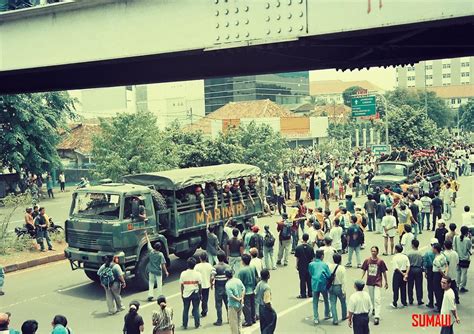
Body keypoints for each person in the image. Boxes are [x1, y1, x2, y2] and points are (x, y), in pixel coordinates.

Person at [361, 246, 388, 325]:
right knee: (371, 298)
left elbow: (384, 272)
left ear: (377, 252)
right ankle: (373, 309)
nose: (373, 253)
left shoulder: (380, 261)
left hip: (377, 282)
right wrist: (361, 278)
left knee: (377, 299)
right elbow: (364, 270)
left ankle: (377, 316)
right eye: (372, 251)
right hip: (369, 282)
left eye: (374, 251)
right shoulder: (367, 260)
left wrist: (386, 282)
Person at [144, 232, 169, 302]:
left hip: (151, 270)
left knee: (151, 283)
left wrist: (146, 235)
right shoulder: (160, 255)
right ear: (160, 248)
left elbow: (148, 243)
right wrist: (166, 272)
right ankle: (159, 296)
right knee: (159, 284)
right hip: (158, 271)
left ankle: (150, 295)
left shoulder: (151, 252)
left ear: (154, 247)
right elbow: (163, 264)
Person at [309, 250, 331, 325]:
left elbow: (311, 273)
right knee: (326, 299)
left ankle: (316, 318)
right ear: (322, 256)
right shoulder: (324, 264)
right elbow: (329, 275)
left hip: (314, 284)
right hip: (323, 284)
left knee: (315, 301)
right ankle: (327, 314)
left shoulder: (311, 264)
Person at [179, 257, 202, 329]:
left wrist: (182, 294)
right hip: (195, 293)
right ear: (194, 265)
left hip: (186, 293)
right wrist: (200, 294)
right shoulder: (198, 274)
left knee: (185, 309)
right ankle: (197, 324)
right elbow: (200, 285)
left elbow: (182, 285)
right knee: (196, 309)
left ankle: (184, 324)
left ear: (187, 265)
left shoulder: (183, 274)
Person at [254, 269, 277, 334]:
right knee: (270, 325)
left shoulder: (259, 284)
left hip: (260, 307)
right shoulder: (266, 287)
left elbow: (255, 293)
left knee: (263, 325)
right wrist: (271, 310)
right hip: (265, 308)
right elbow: (267, 302)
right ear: (268, 276)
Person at [238, 253, 258, 326]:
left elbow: (240, 282)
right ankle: (253, 318)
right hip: (253, 288)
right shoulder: (253, 267)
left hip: (246, 291)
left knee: (246, 307)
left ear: (243, 261)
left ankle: (248, 320)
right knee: (252, 305)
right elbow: (256, 276)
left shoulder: (242, 271)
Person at [211, 250, 230, 326]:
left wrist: (211, 284)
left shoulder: (215, 267)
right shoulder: (228, 267)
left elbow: (212, 277)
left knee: (218, 305)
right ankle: (229, 319)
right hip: (226, 288)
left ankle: (219, 320)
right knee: (227, 304)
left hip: (218, 288)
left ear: (217, 258)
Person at [328, 253, 347, 326]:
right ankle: (344, 315)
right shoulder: (342, 268)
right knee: (343, 302)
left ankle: (335, 319)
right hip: (338, 286)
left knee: (332, 303)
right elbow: (344, 281)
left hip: (331, 286)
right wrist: (344, 290)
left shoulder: (329, 266)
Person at [225, 268, 245, 334]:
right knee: (239, 320)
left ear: (226, 276)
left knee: (233, 323)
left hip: (232, 305)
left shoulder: (228, 284)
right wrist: (241, 298)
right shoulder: (238, 280)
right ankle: (240, 332)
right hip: (240, 304)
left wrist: (237, 299)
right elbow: (243, 289)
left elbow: (231, 295)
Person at [294, 233, 314, 299]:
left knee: (302, 280)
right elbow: (312, 259)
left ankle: (303, 294)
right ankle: (310, 292)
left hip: (301, 266)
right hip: (309, 266)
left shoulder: (298, 248)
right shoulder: (311, 248)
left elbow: (297, 258)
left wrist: (296, 265)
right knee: (309, 279)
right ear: (308, 239)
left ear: (302, 238)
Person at [453, 226, 472, 293]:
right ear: (467, 232)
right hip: (465, 259)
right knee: (464, 273)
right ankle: (462, 286)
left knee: (458, 272)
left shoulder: (455, 238)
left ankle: (457, 285)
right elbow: (469, 248)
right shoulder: (467, 240)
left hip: (457, 258)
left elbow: (454, 246)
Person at [195, 252, 213, 318]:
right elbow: (212, 276)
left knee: (197, 298)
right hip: (206, 285)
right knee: (205, 299)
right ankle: (204, 311)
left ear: (200, 258)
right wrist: (211, 284)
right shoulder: (209, 265)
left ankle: (195, 311)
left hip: (198, 285)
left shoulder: (197, 266)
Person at [407, 239, 424, 306]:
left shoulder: (409, 253)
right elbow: (423, 262)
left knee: (410, 286)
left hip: (411, 270)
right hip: (418, 269)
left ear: (413, 245)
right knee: (419, 285)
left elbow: (407, 263)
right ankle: (419, 299)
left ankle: (410, 300)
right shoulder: (420, 253)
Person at [423, 238, 438, 309]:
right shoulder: (440, 253)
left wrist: (425, 272)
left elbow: (425, 263)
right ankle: (438, 302)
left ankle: (431, 302)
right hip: (438, 271)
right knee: (437, 288)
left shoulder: (427, 253)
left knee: (430, 287)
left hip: (430, 271)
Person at [432, 243, 448, 312]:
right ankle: (442, 305)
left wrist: (443, 275)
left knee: (437, 291)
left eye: (433, 248)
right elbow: (446, 265)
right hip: (442, 274)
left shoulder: (436, 259)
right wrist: (445, 275)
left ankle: (439, 306)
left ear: (435, 250)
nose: (432, 249)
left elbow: (439, 269)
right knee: (441, 291)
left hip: (437, 275)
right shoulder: (443, 256)